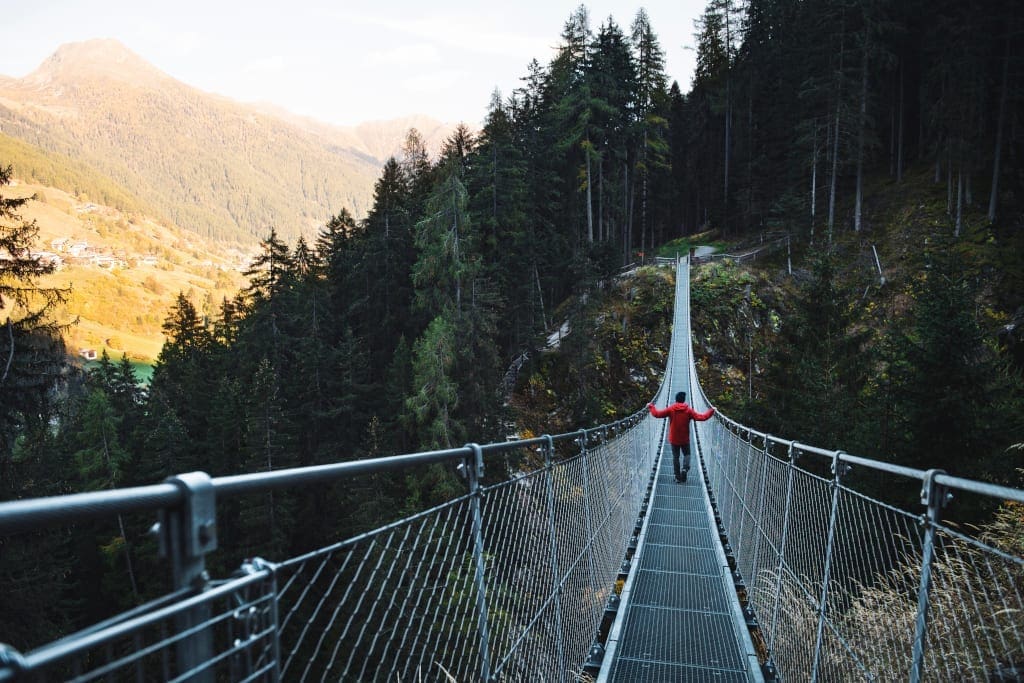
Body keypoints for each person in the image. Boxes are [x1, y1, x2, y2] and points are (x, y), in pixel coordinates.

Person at [647, 391, 715, 483]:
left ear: (676, 399)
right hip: (684, 439)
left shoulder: (671, 409)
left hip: (674, 439)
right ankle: (685, 469)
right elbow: (702, 417)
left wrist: (651, 406)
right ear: (684, 400)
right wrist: (711, 411)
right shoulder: (689, 410)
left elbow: (657, 414)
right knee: (687, 454)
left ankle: (678, 477)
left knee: (676, 457)